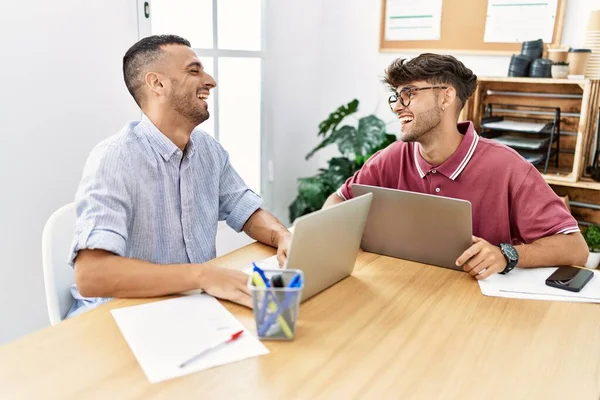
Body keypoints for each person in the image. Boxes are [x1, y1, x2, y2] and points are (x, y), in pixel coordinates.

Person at [67, 35, 291, 317]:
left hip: (188, 308)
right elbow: (91, 276)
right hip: (119, 316)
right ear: (157, 83)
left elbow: (246, 210)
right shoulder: (115, 158)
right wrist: (203, 276)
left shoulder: (208, 150)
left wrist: (283, 236)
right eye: (194, 70)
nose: (210, 80)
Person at [323, 53, 588, 279]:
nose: (397, 107)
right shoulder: (392, 157)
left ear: (446, 97)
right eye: (397, 96)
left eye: (409, 93)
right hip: (407, 290)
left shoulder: (508, 167)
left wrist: (506, 254)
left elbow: (575, 247)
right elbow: (338, 201)